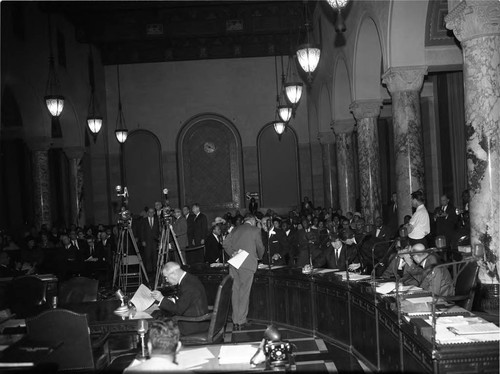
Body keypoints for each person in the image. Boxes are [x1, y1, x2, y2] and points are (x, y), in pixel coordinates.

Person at [222, 214, 264, 330]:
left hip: (234, 264)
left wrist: (233, 253)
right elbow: (260, 247)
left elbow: (225, 244)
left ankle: (235, 319)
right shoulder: (255, 230)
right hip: (247, 264)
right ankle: (241, 320)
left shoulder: (235, 229)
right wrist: (260, 257)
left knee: (235, 292)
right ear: (252, 221)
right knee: (244, 292)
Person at [151, 262, 209, 335]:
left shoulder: (188, 286)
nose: (166, 280)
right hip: (198, 321)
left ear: (174, 273)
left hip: (192, 325)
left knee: (157, 328)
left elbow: (178, 310)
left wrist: (161, 299)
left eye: (166, 277)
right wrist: (171, 300)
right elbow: (186, 300)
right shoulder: (190, 278)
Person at [140, 207, 160, 275]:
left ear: (154, 213)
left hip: (155, 241)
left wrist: (159, 239)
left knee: (155, 256)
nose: (151, 213)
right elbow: (142, 231)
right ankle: (149, 271)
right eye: (149, 212)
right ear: (147, 213)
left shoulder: (157, 220)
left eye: (152, 212)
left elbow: (159, 230)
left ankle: (155, 270)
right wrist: (143, 240)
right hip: (147, 241)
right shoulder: (144, 220)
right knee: (147, 256)